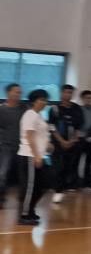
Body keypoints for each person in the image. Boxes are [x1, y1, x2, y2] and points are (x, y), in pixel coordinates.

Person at [17, 89, 52, 225]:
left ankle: (30, 210)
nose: (44, 102)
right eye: (41, 99)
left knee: (43, 185)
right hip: (29, 155)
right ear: (34, 101)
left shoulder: (39, 116)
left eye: (45, 100)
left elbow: (41, 135)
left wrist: (48, 144)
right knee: (30, 187)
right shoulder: (30, 115)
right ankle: (24, 215)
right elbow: (29, 137)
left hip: (39, 155)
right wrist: (37, 156)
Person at [48, 84, 84, 203]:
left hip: (73, 144)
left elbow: (79, 127)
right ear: (61, 93)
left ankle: (66, 187)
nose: (68, 94)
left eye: (70, 92)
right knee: (58, 167)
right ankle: (57, 190)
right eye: (66, 92)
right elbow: (52, 127)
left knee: (69, 167)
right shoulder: (54, 109)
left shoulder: (77, 108)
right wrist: (62, 141)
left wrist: (72, 141)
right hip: (58, 144)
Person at [0, 83, 25, 205]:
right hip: (6, 146)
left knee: (22, 174)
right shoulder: (2, 109)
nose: (19, 94)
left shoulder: (24, 109)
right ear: (8, 93)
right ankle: (1, 197)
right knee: (2, 173)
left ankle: (23, 199)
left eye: (20, 92)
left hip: (22, 147)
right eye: (16, 92)